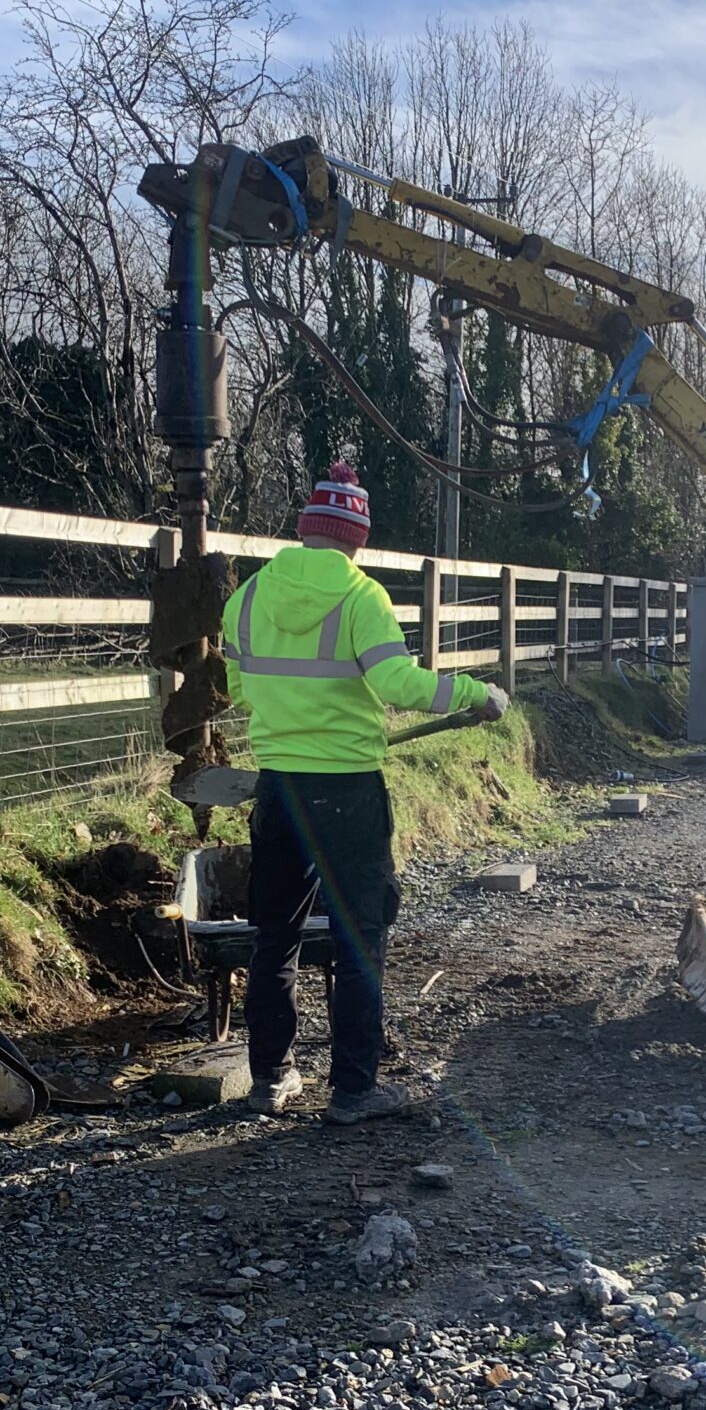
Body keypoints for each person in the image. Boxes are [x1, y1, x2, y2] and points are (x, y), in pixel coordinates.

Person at [224, 461, 508, 1124]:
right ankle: (354, 1090)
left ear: (306, 529)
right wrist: (477, 693)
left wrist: (292, 721)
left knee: (275, 940)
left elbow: (239, 689)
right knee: (359, 939)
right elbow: (399, 685)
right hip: (348, 791)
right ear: (357, 537)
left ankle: (270, 1079)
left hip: (278, 790)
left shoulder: (249, 596)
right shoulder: (361, 596)